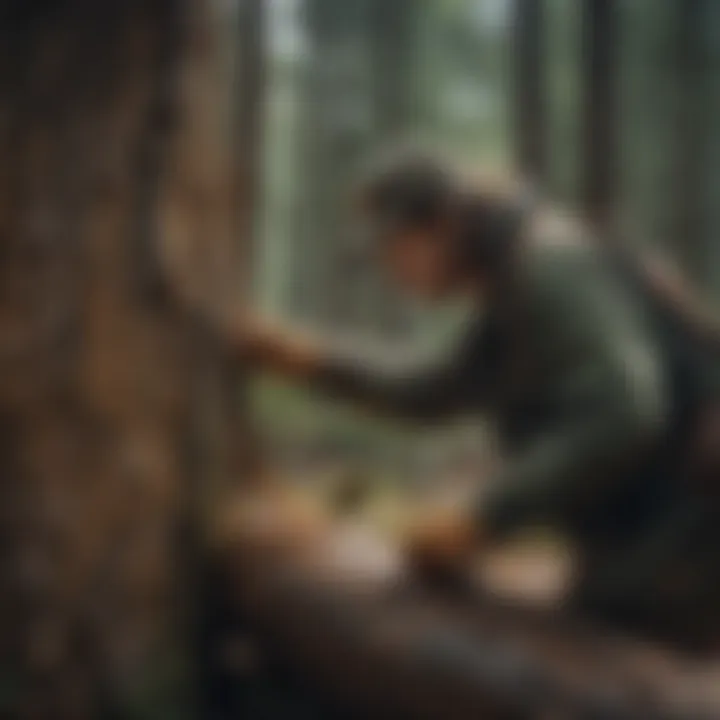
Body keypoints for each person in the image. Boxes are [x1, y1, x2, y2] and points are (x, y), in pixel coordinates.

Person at [234, 151, 720, 643]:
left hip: (689, 535)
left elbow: (625, 410)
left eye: (396, 245)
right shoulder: (516, 283)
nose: (391, 267)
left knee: (611, 659)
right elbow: (433, 391)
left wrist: (484, 517)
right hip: (667, 530)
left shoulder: (548, 271)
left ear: (443, 224)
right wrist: (310, 360)